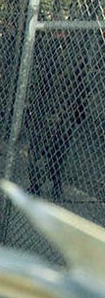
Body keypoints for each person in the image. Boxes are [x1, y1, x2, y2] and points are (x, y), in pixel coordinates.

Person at [25, 32, 90, 200]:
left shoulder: (73, 52)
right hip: (48, 108)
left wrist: (79, 108)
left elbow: (82, 84)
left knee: (57, 149)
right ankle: (41, 184)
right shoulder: (49, 47)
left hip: (61, 108)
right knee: (44, 148)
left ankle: (52, 184)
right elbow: (40, 80)